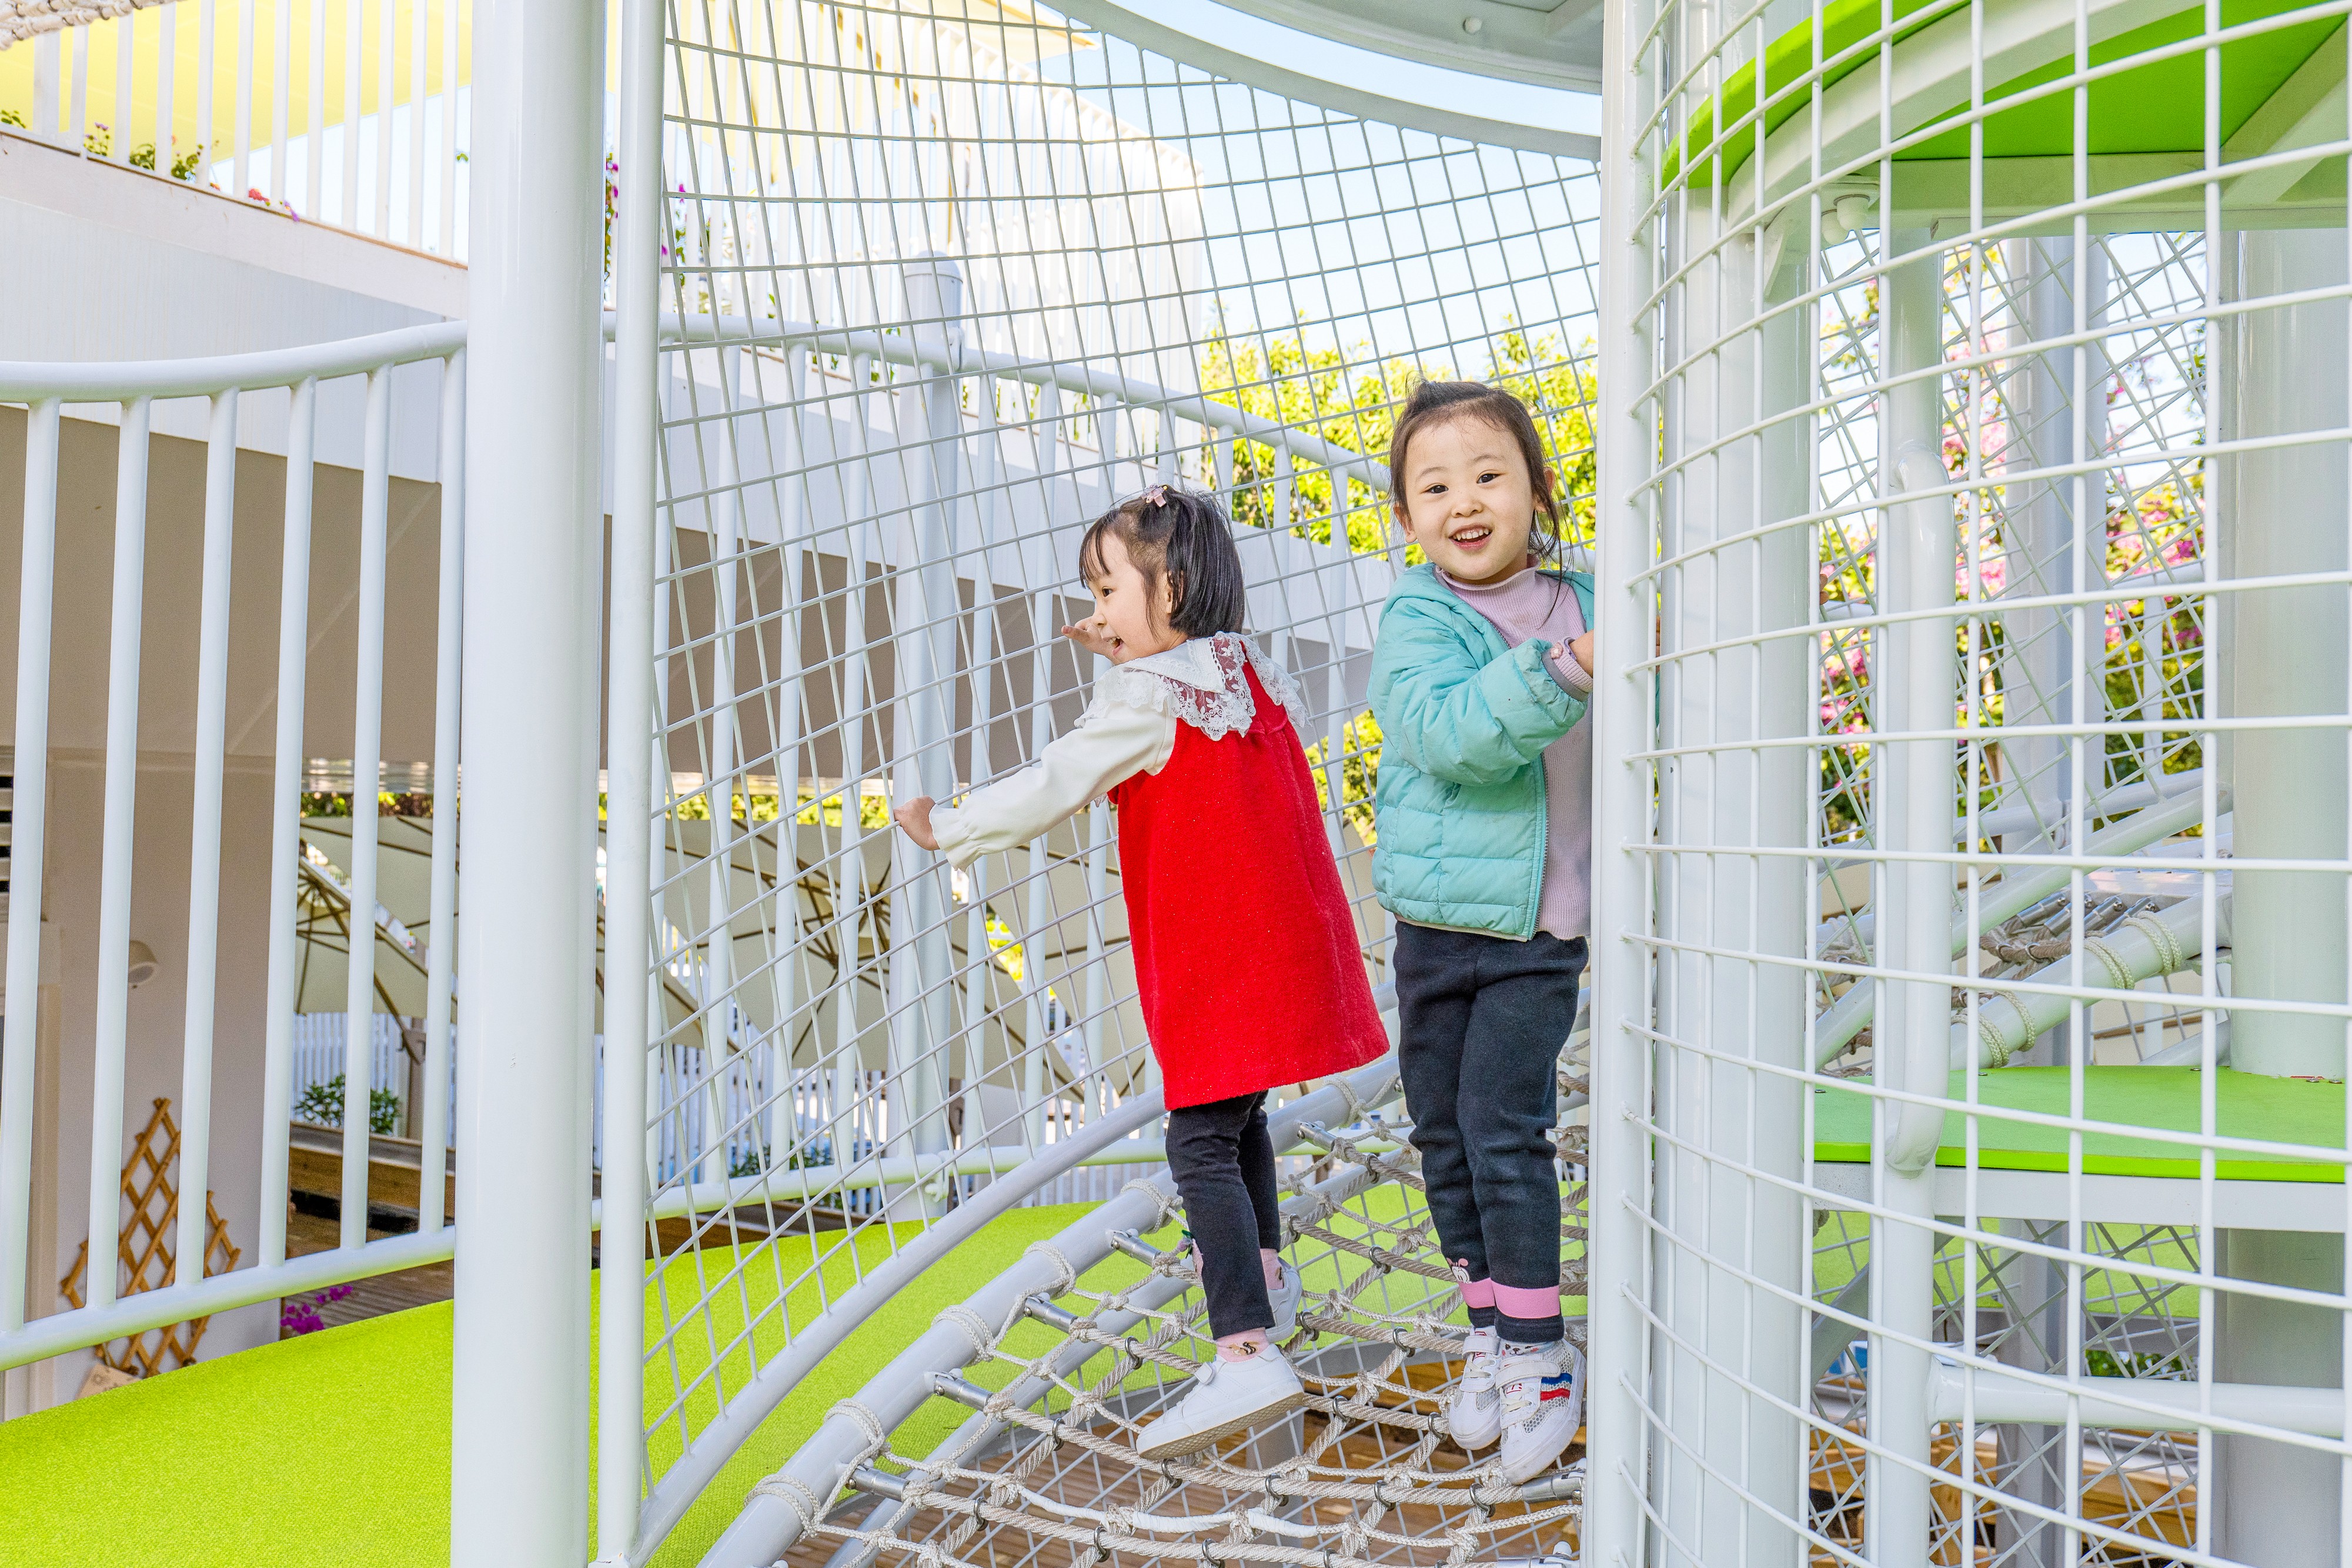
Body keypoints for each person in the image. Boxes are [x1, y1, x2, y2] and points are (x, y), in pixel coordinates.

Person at [894, 484, 1388, 1462]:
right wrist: (1131, 648)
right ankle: (1268, 1277)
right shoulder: (1245, 676)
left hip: (1215, 952)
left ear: (1179, 586)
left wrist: (948, 825)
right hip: (1281, 941)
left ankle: (1244, 1345)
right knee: (1234, 1114)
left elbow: (1059, 780)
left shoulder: (1148, 700)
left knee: (1198, 1138)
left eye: (1109, 588)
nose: (1098, 610)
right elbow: (1166, 707)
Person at [1368, 380, 1595, 1483]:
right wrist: (1560, 672)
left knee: (1504, 1129)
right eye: (1434, 486)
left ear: (1537, 490)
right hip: (1432, 926)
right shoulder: (1416, 617)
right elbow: (1445, 735)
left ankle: (1542, 1359)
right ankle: (1490, 1328)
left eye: (1489, 475)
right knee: (1444, 1137)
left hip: (1536, 932)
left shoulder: (1591, 601)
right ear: (1407, 518)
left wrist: (1593, 653)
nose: (1464, 501)